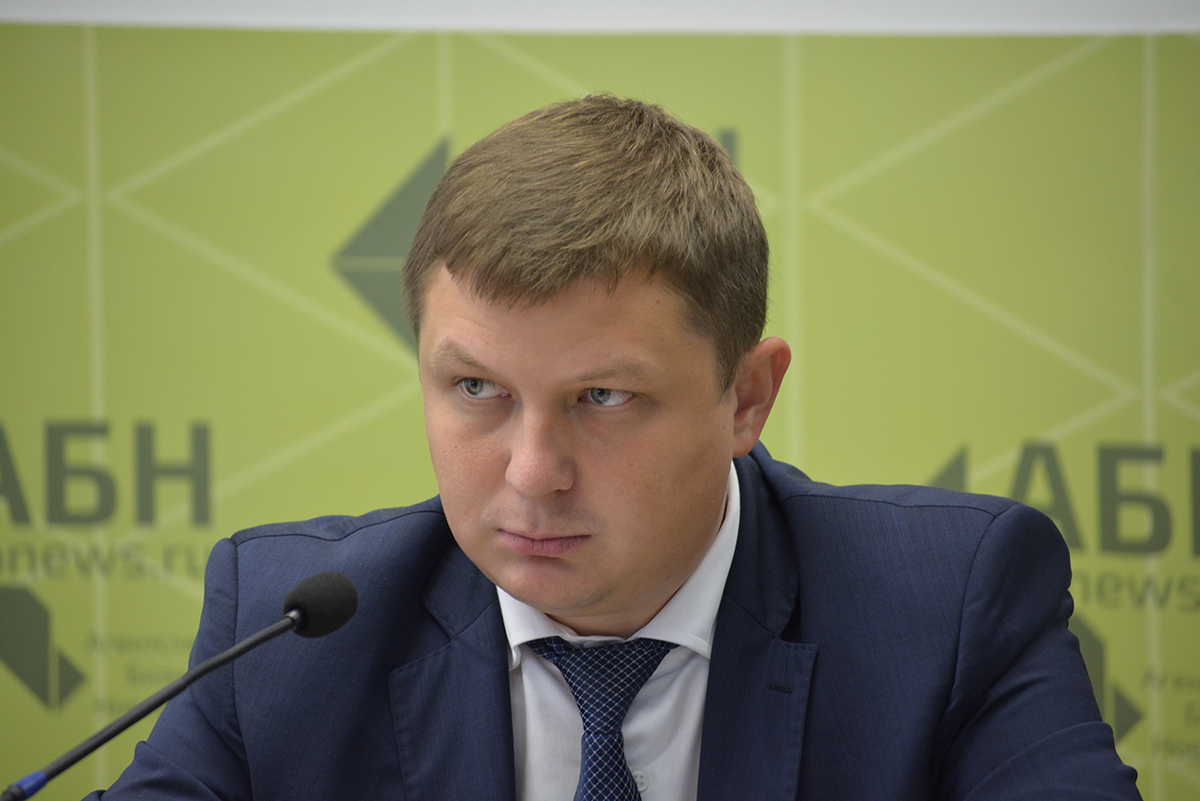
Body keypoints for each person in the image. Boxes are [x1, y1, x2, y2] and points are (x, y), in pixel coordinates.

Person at [88, 96, 1141, 800]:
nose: (530, 473)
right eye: (476, 390)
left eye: (603, 397)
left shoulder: (947, 609)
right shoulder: (289, 634)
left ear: (748, 397)